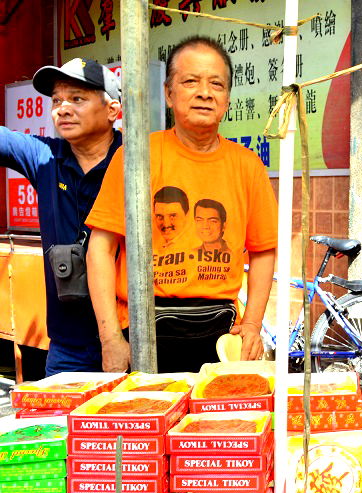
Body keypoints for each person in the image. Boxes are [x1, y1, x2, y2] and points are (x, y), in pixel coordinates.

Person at [86, 36, 278, 373]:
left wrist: (252, 324)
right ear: (169, 93)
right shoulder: (134, 156)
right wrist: (111, 339)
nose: (205, 92)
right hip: (144, 331)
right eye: (191, 81)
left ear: (228, 99)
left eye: (215, 84)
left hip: (221, 332)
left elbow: (263, 250)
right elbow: (100, 249)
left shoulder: (247, 165)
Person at [0, 58, 122, 375]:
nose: (62, 109)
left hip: (131, 336)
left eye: (77, 99)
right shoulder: (45, 157)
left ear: (113, 111)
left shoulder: (136, 158)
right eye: (57, 100)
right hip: (67, 347)